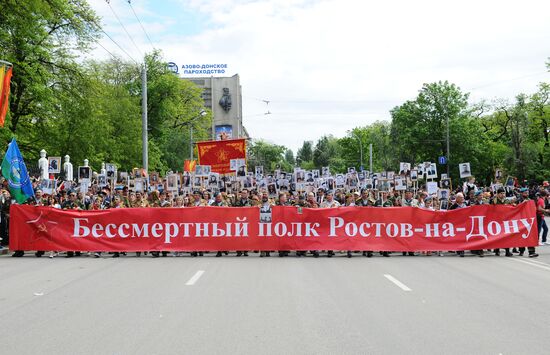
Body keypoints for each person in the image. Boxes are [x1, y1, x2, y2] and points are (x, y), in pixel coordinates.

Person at [492, 188, 513, 257]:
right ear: (497, 194)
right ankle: (497, 250)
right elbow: (489, 209)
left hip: (505, 221)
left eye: (504, 193)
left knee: (506, 236)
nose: (503, 195)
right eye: (501, 193)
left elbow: (511, 208)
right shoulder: (494, 201)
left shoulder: (507, 201)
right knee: (498, 236)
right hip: (497, 221)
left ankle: (507, 251)